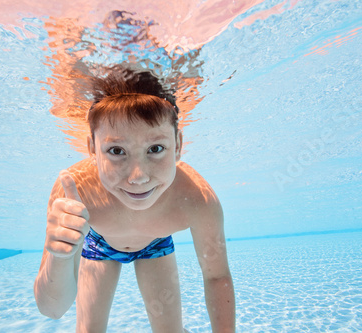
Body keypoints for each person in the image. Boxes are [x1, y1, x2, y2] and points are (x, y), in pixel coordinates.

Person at [34, 66, 235, 332]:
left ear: (178, 146)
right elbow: (53, 309)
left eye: (156, 149)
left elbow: (216, 276)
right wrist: (59, 258)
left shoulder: (197, 197)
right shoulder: (75, 191)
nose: (138, 177)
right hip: (99, 244)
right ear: (93, 149)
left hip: (155, 243)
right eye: (117, 150)